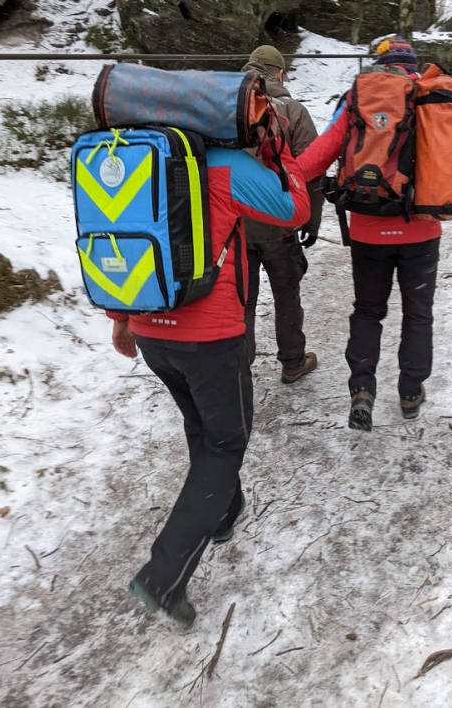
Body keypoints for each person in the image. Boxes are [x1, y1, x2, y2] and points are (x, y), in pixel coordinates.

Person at [110, 132, 310, 627]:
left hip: (150, 326)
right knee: (226, 442)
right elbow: (295, 210)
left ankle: (222, 512)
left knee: (202, 425)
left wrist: (120, 317)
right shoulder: (223, 165)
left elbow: (116, 229)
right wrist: (279, 153)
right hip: (209, 336)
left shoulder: (129, 157)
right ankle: (164, 575)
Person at [297, 36, 442, 431]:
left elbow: (322, 151)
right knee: (418, 314)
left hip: (368, 229)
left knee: (367, 310)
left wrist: (283, 175)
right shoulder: (430, 98)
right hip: (421, 228)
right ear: (412, 64)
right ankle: (411, 391)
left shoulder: (358, 96)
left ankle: (362, 390)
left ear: (380, 64)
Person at [241, 45, 323, 384]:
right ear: (279, 73)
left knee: (241, 301)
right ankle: (292, 361)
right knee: (286, 293)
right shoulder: (293, 110)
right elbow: (313, 170)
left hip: (235, 224)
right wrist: (312, 219)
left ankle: (237, 367)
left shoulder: (224, 106)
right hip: (280, 223)